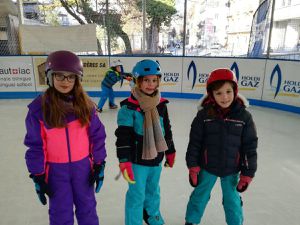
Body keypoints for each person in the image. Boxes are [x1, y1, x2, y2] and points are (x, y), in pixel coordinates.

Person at [24, 50, 107, 225]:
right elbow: (35, 146)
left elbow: (97, 136)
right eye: (59, 76)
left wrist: (99, 163)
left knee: (88, 208)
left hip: (83, 168)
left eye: (71, 77)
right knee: (60, 212)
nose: (65, 81)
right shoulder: (39, 109)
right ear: (49, 76)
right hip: (56, 171)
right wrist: (38, 174)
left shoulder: (86, 106)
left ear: (77, 79)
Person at [184, 68, 258, 225]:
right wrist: (193, 166)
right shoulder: (204, 116)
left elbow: (249, 147)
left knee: (232, 200)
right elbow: (195, 143)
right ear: (212, 95)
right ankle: (191, 220)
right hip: (207, 167)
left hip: (231, 169)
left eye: (228, 91)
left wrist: (247, 173)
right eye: (218, 93)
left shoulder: (244, 117)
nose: (224, 97)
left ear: (235, 91)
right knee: (199, 195)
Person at [115, 59, 176, 225]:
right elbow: (123, 137)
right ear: (137, 81)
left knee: (153, 191)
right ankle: (133, 221)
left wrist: (170, 151)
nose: (151, 84)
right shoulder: (129, 108)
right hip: (137, 161)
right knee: (136, 194)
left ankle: (152, 215)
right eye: (146, 80)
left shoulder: (161, 105)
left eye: (154, 80)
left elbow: (166, 130)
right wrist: (124, 160)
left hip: (156, 158)